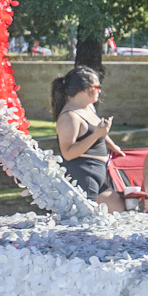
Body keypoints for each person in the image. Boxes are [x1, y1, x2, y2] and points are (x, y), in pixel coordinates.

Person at [52, 66, 125, 213]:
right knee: (84, 220)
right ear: (83, 89)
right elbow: (67, 153)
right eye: (96, 87)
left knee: (117, 210)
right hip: (82, 173)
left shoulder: (89, 107)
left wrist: (113, 146)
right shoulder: (69, 116)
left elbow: (99, 131)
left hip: (98, 173)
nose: (99, 90)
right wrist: (96, 135)